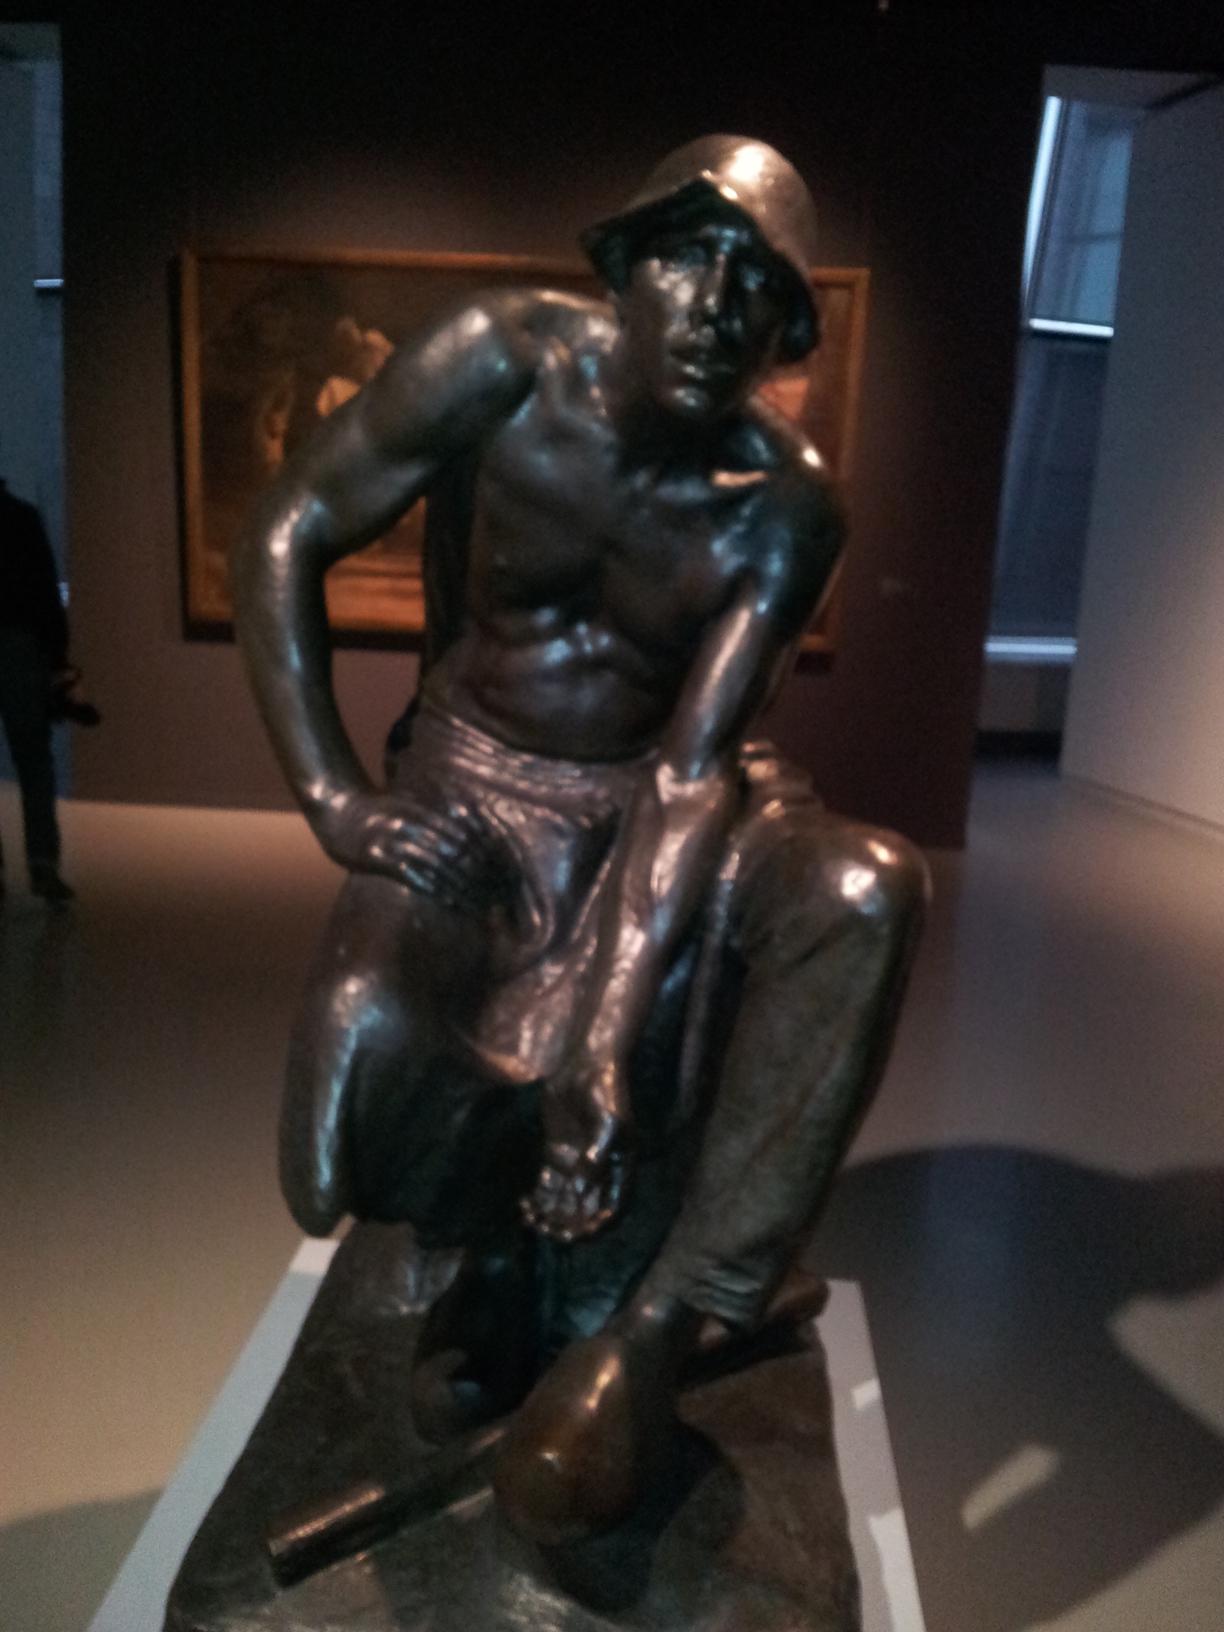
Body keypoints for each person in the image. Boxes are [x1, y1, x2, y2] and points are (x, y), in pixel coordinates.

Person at [233, 135, 929, 1543]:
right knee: (340, 1116)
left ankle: (658, 1326)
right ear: (626, 264)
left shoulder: (786, 505)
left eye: (762, 287)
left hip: (655, 798)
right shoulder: (500, 360)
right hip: (472, 784)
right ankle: (487, 1254)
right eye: (695, 258)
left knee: (865, 891)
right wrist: (335, 800)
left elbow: (689, 771)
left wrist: (603, 1043)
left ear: (786, 334)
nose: (720, 306)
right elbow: (288, 528)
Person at [0, 476, 76, 905]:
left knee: (33, 761)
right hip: (22, 648)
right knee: (34, 760)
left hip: (21, 647)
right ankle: (43, 867)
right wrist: (58, 656)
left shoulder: (23, 518)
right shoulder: (22, 519)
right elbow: (46, 593)